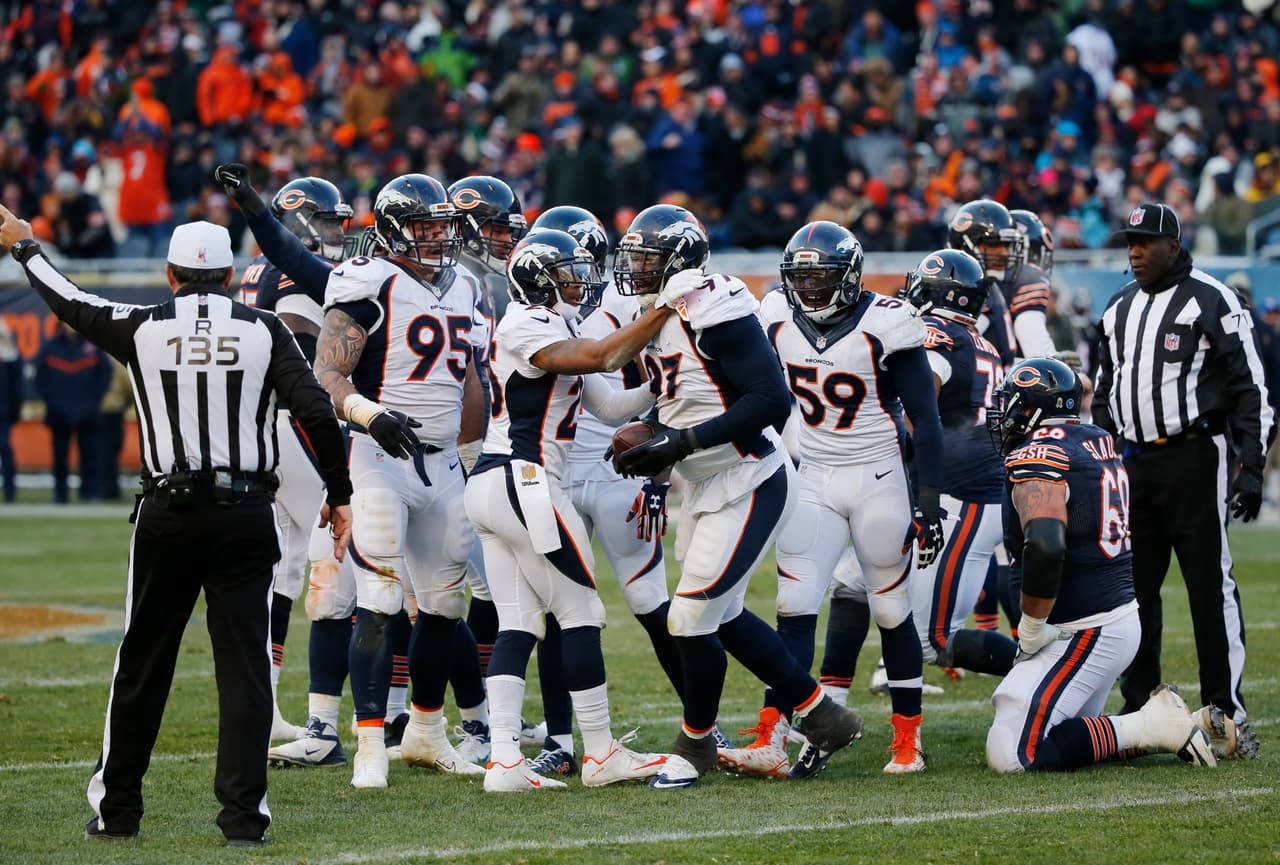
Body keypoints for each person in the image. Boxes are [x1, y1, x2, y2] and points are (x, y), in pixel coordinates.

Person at [0, 207, 352, 847]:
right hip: (246, 513)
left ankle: (118, 812)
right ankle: (243, 820)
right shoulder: (266, 328)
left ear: (169, 274)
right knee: (244, 668)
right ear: (227, 274)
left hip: (166, 511)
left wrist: (26, 248)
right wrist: (340, 489)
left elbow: (70, 301)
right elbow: (316, 411)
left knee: (141, 663)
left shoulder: (142, 327)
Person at [610, 206, 866, 790]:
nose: (637, 268)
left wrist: (681, 441)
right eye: (635, 256)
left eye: (649, 257)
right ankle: (824, 715)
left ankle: (693, 743)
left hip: (749, 476)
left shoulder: (713, 303)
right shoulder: (655, 310)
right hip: (705, 480)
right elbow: (684, 392)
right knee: (719, 616)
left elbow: (770, 400)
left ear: (680, 259)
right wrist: (653, 436)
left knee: (690, 615)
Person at [464, 227, 682, 792]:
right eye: (566, 273)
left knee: (519, 622)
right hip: (527, 481)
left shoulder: (552, 324)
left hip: (499, 484)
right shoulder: (525, 323)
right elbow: (604, 353)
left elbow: (609, 405)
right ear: (538, 281)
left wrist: (665, 387)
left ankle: (506, 761)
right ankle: (601, 752)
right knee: (581, 614)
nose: (579, 282)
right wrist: (664, 306)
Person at [724, 222, 944, 780]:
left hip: (879, 478)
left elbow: (926, 418)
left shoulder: (887, 322)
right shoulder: (774, 315)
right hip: (814, 477)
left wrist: (929, 503)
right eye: (802, 276)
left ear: (849, 274)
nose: (812, 287)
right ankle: (773, 735)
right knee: (794, 609)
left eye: (822, 275)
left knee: (893, 612)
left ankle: (907, 741)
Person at [313, 173, 489, 789]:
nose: (438, 237)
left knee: (444, 605)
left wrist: (475, 453)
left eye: (443, 226)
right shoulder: (368, 280)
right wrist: (370, 413)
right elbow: (327, 375)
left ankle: (426, 730)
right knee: (381, 598)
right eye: (425, 227)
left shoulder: (467, 286)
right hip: (378, 456)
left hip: (442, 464)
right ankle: (367, 744)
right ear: (391, 228)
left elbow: (470, 380)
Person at [985, 356, 1228, 773]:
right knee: (1065, 728)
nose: (1006, 416)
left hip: (1083, 629)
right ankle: (1169, 726)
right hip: (1106, 617)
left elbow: (1045, 546)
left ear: (1036, 409)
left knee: (1012, 752)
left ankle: (1152, 724)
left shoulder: (1041, 453)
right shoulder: (1094, 438)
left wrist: (1029, 629)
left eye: (1015, 405)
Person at [1093, 203, 1272, 750]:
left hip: (1196, 456)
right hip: (1133, 463)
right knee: (1134, 592)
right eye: (1130, 242)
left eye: (1146, 242)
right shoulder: (1118, 306)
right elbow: (1104, 390)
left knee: (1208, 588)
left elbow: (1250, 387)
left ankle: (1225, 711)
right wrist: (1103, 455)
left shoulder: (1212, 299)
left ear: (1174, 244)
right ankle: (1141, 705)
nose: (1136, 252)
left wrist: (1253, 466)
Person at [528, 205, 685, 777]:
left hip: (624, 470)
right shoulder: (534, 317)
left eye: (572, 265)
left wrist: (660, 475)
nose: (567, 278)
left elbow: (671, 386)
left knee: (651, 606)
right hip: (562, 473)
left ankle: (701, 725)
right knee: (556, 609)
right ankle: (560, 739)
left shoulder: (632, 305)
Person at [217, 165, 365, 753]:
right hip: (301, 425)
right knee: (346, 567)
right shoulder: (300, 269)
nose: (336, 232)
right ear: (300, 220)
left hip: (256, 426)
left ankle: (267, 709)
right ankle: (352, 717)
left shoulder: (254, 269)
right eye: (327, 221)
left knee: (282, 567)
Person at [901, 249, 1018, 679]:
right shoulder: (983, 343)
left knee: (933, 639)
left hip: (960, 499)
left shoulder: (935, 336)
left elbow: (919, 409)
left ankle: (1044, 671)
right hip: (972, 492)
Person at [948, 199, 1056, 359]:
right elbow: (1036, 348)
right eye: (993, 245)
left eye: (1007, 245)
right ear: (964, 246)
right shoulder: (1024, 279)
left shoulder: (992, 284)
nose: (1004, 253)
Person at [35, 322, 112, 503]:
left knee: (91, 456)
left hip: (89, 413)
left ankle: (91, 493)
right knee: (60, 457)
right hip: (59, 413)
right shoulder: (50, 347)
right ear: (61, 325)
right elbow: (40, 378)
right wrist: (52, 402)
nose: (71, 326)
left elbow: (105, 374)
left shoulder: (93, 347)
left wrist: (94, 400)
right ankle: (60, 495)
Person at [0, 318, 22, 503]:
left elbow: (16, 385)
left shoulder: (9, 357)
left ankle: (9, 492)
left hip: (3, 412)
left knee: (5, 449)